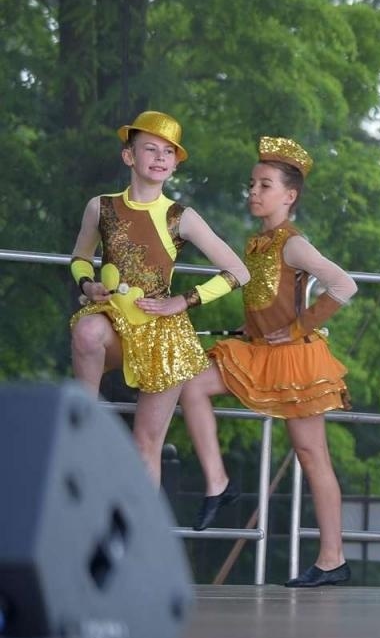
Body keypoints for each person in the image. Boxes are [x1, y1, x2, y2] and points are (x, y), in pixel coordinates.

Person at [178, 138, 356, 587]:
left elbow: (343, 285)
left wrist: (297, 329)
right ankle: (218, 483)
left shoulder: (293, 244)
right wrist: (252, 329)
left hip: (295, 359)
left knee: (312, 454)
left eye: (265, 185)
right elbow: (264, 298)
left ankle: (333, 558)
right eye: (252, 184)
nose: (254, 192)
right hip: (260, 350)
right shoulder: (258, 242)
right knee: (192, 385)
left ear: (289, 196)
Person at [67, 110, 249, 483]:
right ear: (129, 156)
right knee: (86, 331)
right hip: (113, 322)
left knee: (145, 446)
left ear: (175, 164)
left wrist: (184, 300)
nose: (161, 157)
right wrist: (88, 286)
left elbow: (239, 272)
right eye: (151, 149)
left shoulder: (181, 216)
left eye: (169, 152)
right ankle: (83, 425)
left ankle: (141, 540)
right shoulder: (99, 207)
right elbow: (80, 259)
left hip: (162, 337)